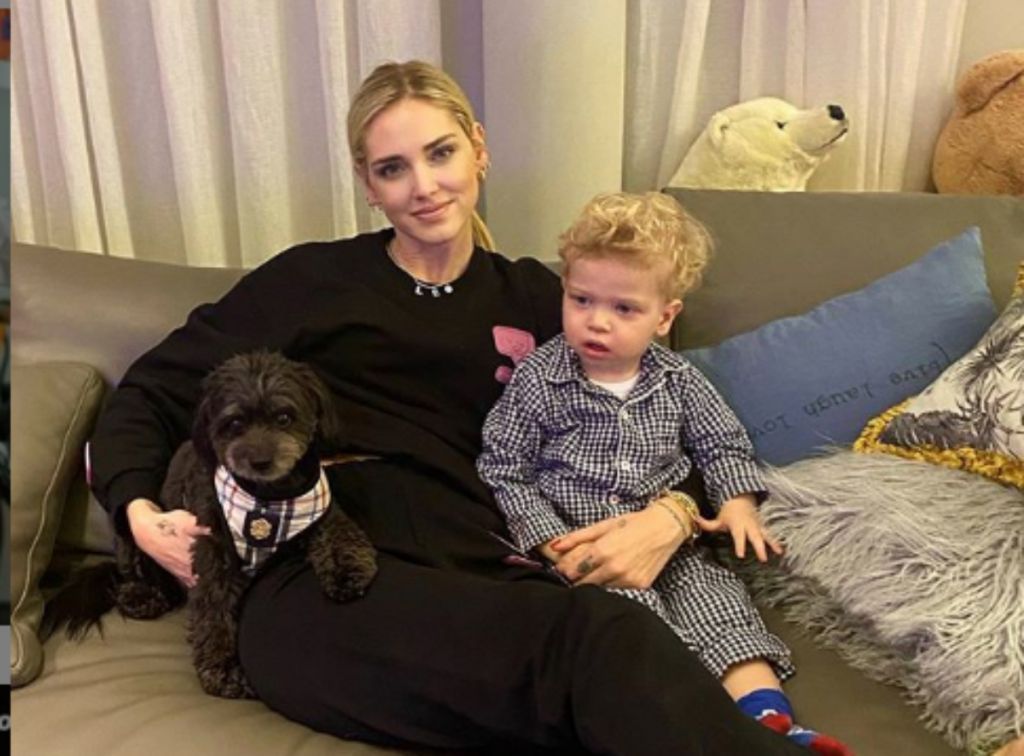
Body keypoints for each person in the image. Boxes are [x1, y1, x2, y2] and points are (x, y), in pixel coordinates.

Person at [88, 59, 810, 755]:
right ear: (368, 185)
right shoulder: (311, 281)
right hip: (321, 571)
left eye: (441, 153)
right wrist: (138, 513)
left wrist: (672, 515)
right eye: (392, 168)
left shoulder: (548, 301)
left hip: (483, 564)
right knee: (597, 656)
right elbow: (151, 392)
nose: (424, 187)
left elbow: (668, 416)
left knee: (606, 639)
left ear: (479, 151)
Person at [478, 192, 851, 756]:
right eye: (581, 299)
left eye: (624, 309)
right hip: (591, 554)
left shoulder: (679, 381)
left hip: (680, 547)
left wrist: (738, 504)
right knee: (638, 631)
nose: (597, 321)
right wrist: (549, 540)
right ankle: (698, 732)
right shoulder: (539, 380)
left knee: (722, 610)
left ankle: (770, 723)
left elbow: (722, 445)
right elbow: (504, 468)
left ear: (665, 317)